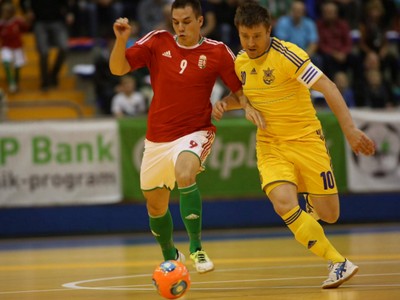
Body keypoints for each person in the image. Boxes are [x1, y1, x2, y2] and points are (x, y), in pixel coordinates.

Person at [213, 1, 375, 289]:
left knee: (330, 215)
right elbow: (242, 95)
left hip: (306, 140)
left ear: (269, 30)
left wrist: (350, 130)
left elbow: (329, 87)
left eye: (257, 36)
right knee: (283, 203)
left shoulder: (289, 56)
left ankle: (314, 206)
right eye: (245, 36)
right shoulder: (239, 61)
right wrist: (225, 104)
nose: (250, 43)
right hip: (271, 144)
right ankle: (337, 262)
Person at [109, 0, 264, 273]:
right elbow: (118, 69)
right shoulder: (158, 42)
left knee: (185, 174)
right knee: (155, 205)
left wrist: (243, 106)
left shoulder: (217, 52)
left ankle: (197, 248)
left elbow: (240, 89)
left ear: (200, 21)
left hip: (196, 130)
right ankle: (171, 253)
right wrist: (121, 40)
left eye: (187, 22)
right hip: (158, 137)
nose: (180, 28)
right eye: (176, 22)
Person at [21, 0, 74, 91]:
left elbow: (66, 3)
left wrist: (69, 13)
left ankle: (54, 75)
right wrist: (27, 11)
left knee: (64, 47)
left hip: (57, 20)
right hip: (39, 21)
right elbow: (22, 2)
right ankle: (45, 80)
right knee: (43, 52)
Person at [0, 1, 30, 93]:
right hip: (6, 46)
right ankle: (11, 82)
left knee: (18, 65)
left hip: (17, 47)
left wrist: (27, 21)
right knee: (6, 62)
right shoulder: (1, 23)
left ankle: (16, 82)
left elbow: (26, 29)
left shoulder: (17, 21)